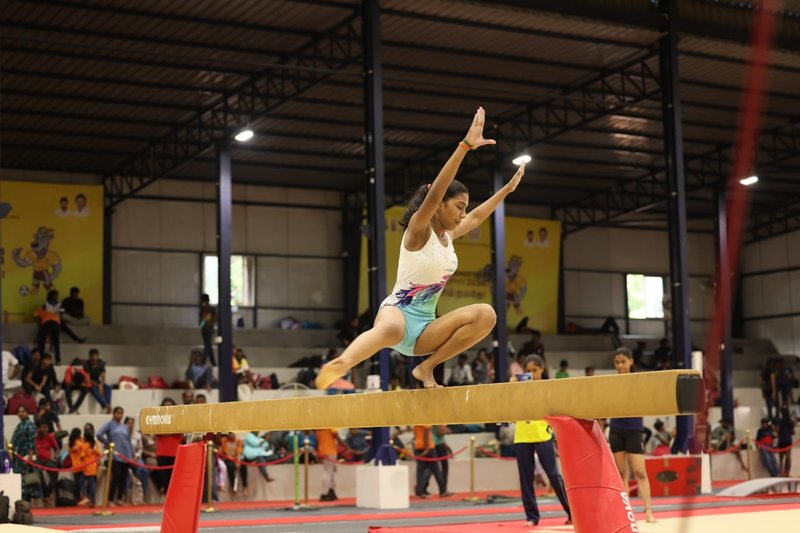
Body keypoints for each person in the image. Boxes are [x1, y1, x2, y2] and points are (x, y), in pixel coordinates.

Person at [316, 108, 524, 389]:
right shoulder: (418, 229)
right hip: (397, 313)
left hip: (426, 330)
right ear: (438, 205)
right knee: (389, 330)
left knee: (487, 315)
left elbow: (476, 218)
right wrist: (464, 147)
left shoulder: (448, 236)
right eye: (459, 207)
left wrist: (507, 191)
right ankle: (342, 363)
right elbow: (437, 190)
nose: (464, 214)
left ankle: (426, 368)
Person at [510, 355, 571, 526]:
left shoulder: (548, 387)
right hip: (522, 434)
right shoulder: (518, 388)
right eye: (527, 371)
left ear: (542, 369)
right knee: (526, 478)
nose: (531, 374)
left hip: (542, 433)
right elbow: (509, 407)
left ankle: (571, 512)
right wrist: (511, 387)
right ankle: (532, 516)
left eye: (534, 370)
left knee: (553, 474)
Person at [608, 347, 655, 523]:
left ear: (631, 361)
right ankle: (625, 513)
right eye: (617, 362)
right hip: (616, 430)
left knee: (640, 472)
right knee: (621, 474)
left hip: (634, 430)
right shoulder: (611, 383)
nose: (620, 365)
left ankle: (648, 511)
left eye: (623, 362)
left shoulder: (638, 381)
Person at [97, 407, 134, 506]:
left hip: (125, 454)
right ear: (113, 414)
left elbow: (129, 441)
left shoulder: (125, 426)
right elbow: (99, 434)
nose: (119, 415)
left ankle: (119, 498)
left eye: (121, 413)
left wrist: (132, 454)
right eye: (117, 413)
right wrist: (107, 442)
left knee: (124, 477)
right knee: (116, 477)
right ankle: (110, 499)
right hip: (115, 455)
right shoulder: (109, 424)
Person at [11, 405, 41, 503]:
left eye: (23, 411)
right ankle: (23, 502)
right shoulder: (20, 425)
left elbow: (31, 442)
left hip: (27, 457)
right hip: (18, 458)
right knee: (21, 480)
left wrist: (30, 456)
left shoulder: (29, 425)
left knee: (27, 481)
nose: (21, 413)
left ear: (27, 413)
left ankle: (26, 503)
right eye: (19, 412)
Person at [154, 398, 182, 495]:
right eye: (166, 405)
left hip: (175, 451)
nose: (168, 407)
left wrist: (167, 432)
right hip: (162, 452)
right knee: (164, 477)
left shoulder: (179, 419)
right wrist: (171, 431)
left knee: (175, 478)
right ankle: (166, 497)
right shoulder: (158, 419)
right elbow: (159, 432)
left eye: (170, 405)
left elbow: (180, 432)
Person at [413, 425, 449, 498]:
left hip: (418, 446)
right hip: (428, 447)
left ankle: (419, 492)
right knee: (436, 470)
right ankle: (442, 491)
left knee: (420, 471)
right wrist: (427, 449)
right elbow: (426, 433)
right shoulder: (427, 421)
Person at [34, 420, 59, 505]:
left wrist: (56, 456)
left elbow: (57, 449)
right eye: (43, 427)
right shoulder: (34, 438)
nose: (45, 429)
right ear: (38, 429)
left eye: (46, 427)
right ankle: (46, 496)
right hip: (37, 460)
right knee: (39, 473)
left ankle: (47, 494)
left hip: (47, 460)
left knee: (55, 471)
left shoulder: (49, 437)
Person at [316, 428, 343, 501]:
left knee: (330, 472)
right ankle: (325, 493)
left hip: (322, 450)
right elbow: (336, 435)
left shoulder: (318, 425)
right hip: (330, 450)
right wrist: (347, 447)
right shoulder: (331, 425)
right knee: (328, 472)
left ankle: (331, 490)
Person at [84, 349, 112, 414]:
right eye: (92, 356)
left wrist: (101, 385)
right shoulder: (86, 365)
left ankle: (108, 404)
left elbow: (103, 378)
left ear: (98, 356)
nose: (94, 358)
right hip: (90, 382)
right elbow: (88, 379)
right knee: (93, 388)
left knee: (108, 387)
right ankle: (104, 405)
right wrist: (98, 385)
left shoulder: (101, 364)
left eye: (95, 356)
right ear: (90, 357)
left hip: (98, 382)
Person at [68, 428, 90, 506]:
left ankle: (81, 498)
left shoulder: (70, 444)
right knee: (82, 483)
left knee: (78, 483)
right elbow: (83, 454)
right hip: (81, 465)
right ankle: (84, 497)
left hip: (75, 466)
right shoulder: (80, 443)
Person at [221, 432, 248, 498]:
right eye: (230, 434)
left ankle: (245, 486)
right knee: (230, 466)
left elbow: (239, 452)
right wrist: (232, 460)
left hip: (237, 458)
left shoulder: (238, 441)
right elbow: (226, 453)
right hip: (228, 458)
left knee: (243, 466)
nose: (232, 435)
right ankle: (232, 486)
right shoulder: (224, 440)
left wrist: (238, 461)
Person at [82, 423, 102, 507]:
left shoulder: (85, 445)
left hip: (87, 467)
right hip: (94, 466)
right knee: (91, 485)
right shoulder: (95, 444)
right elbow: (98, 454)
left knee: (83, 483)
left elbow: (82, 456)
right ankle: (92, 501)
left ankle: (87, 499)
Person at [199, 293, 217, 366]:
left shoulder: (210, 309)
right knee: (208, 345)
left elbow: (213, 318)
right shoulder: (205, 309)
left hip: (207, 329)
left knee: (207, 345)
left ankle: (203, 361)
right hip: (206, 329)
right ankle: (213, 362)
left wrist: (205, 324)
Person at [777, 407, 794, 477]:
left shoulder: (780, 421)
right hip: (788, 440)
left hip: (781, 440)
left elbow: (778, 430)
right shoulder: (791, 421)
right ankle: (787, 472)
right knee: (788, 456)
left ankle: (781, 473)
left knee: (781, 458)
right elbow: (793, 432)